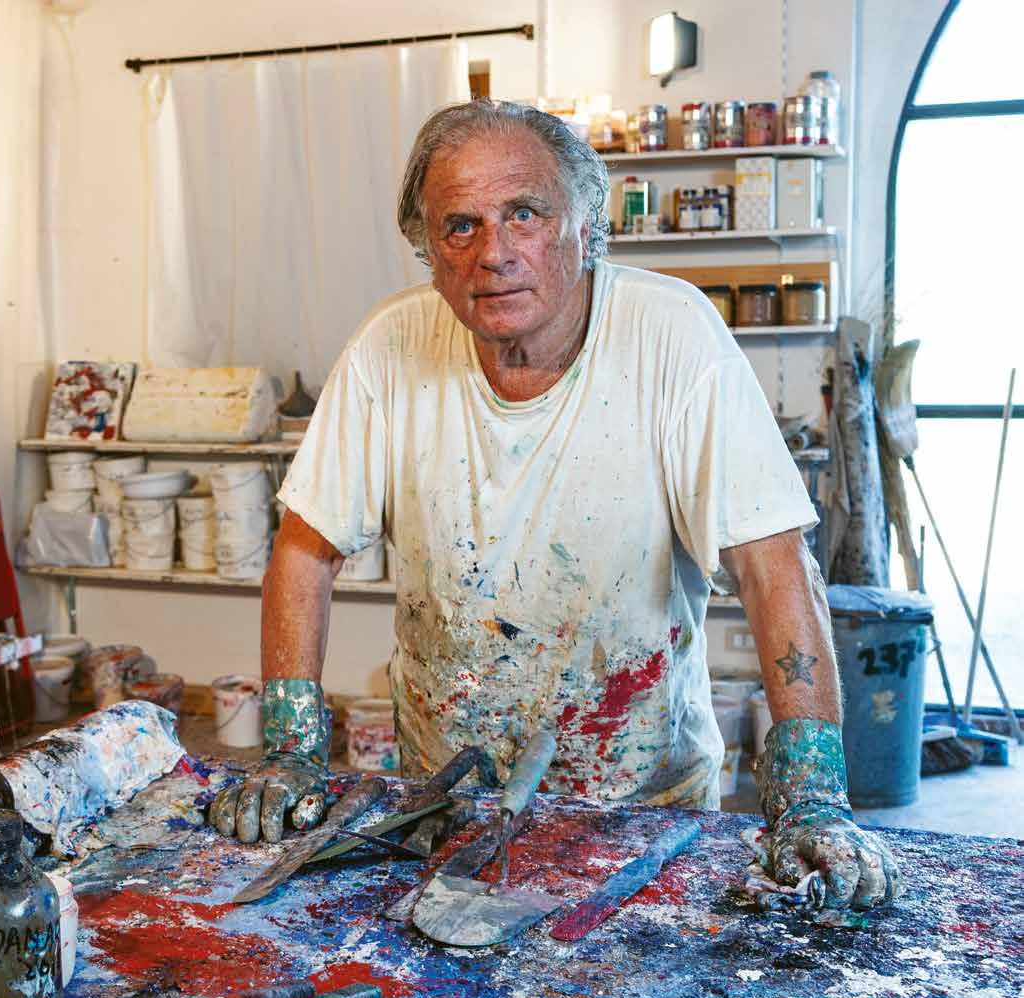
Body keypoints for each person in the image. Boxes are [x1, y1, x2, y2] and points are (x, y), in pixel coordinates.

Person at [207, 99, 901, 913]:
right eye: (460, 226)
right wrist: (292, 749)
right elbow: (304, 548)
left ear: (587, 227)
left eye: (525, 214)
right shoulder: (387, 348)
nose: (493, 253)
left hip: (643, 815)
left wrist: (813, 793)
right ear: (429, 252)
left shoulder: (673, 336)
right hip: (449, 806)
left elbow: (773, 563)